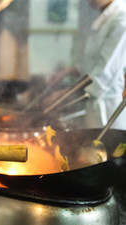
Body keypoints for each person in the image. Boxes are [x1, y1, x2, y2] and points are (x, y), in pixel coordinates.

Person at [50, 0, 126, 130]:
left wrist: (64, 95)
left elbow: (103, 75)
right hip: (93, 108)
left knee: (108, 148)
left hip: (108, 110)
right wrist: (68, 71)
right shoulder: (104, 18)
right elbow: (92, 62)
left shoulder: (121, 21)